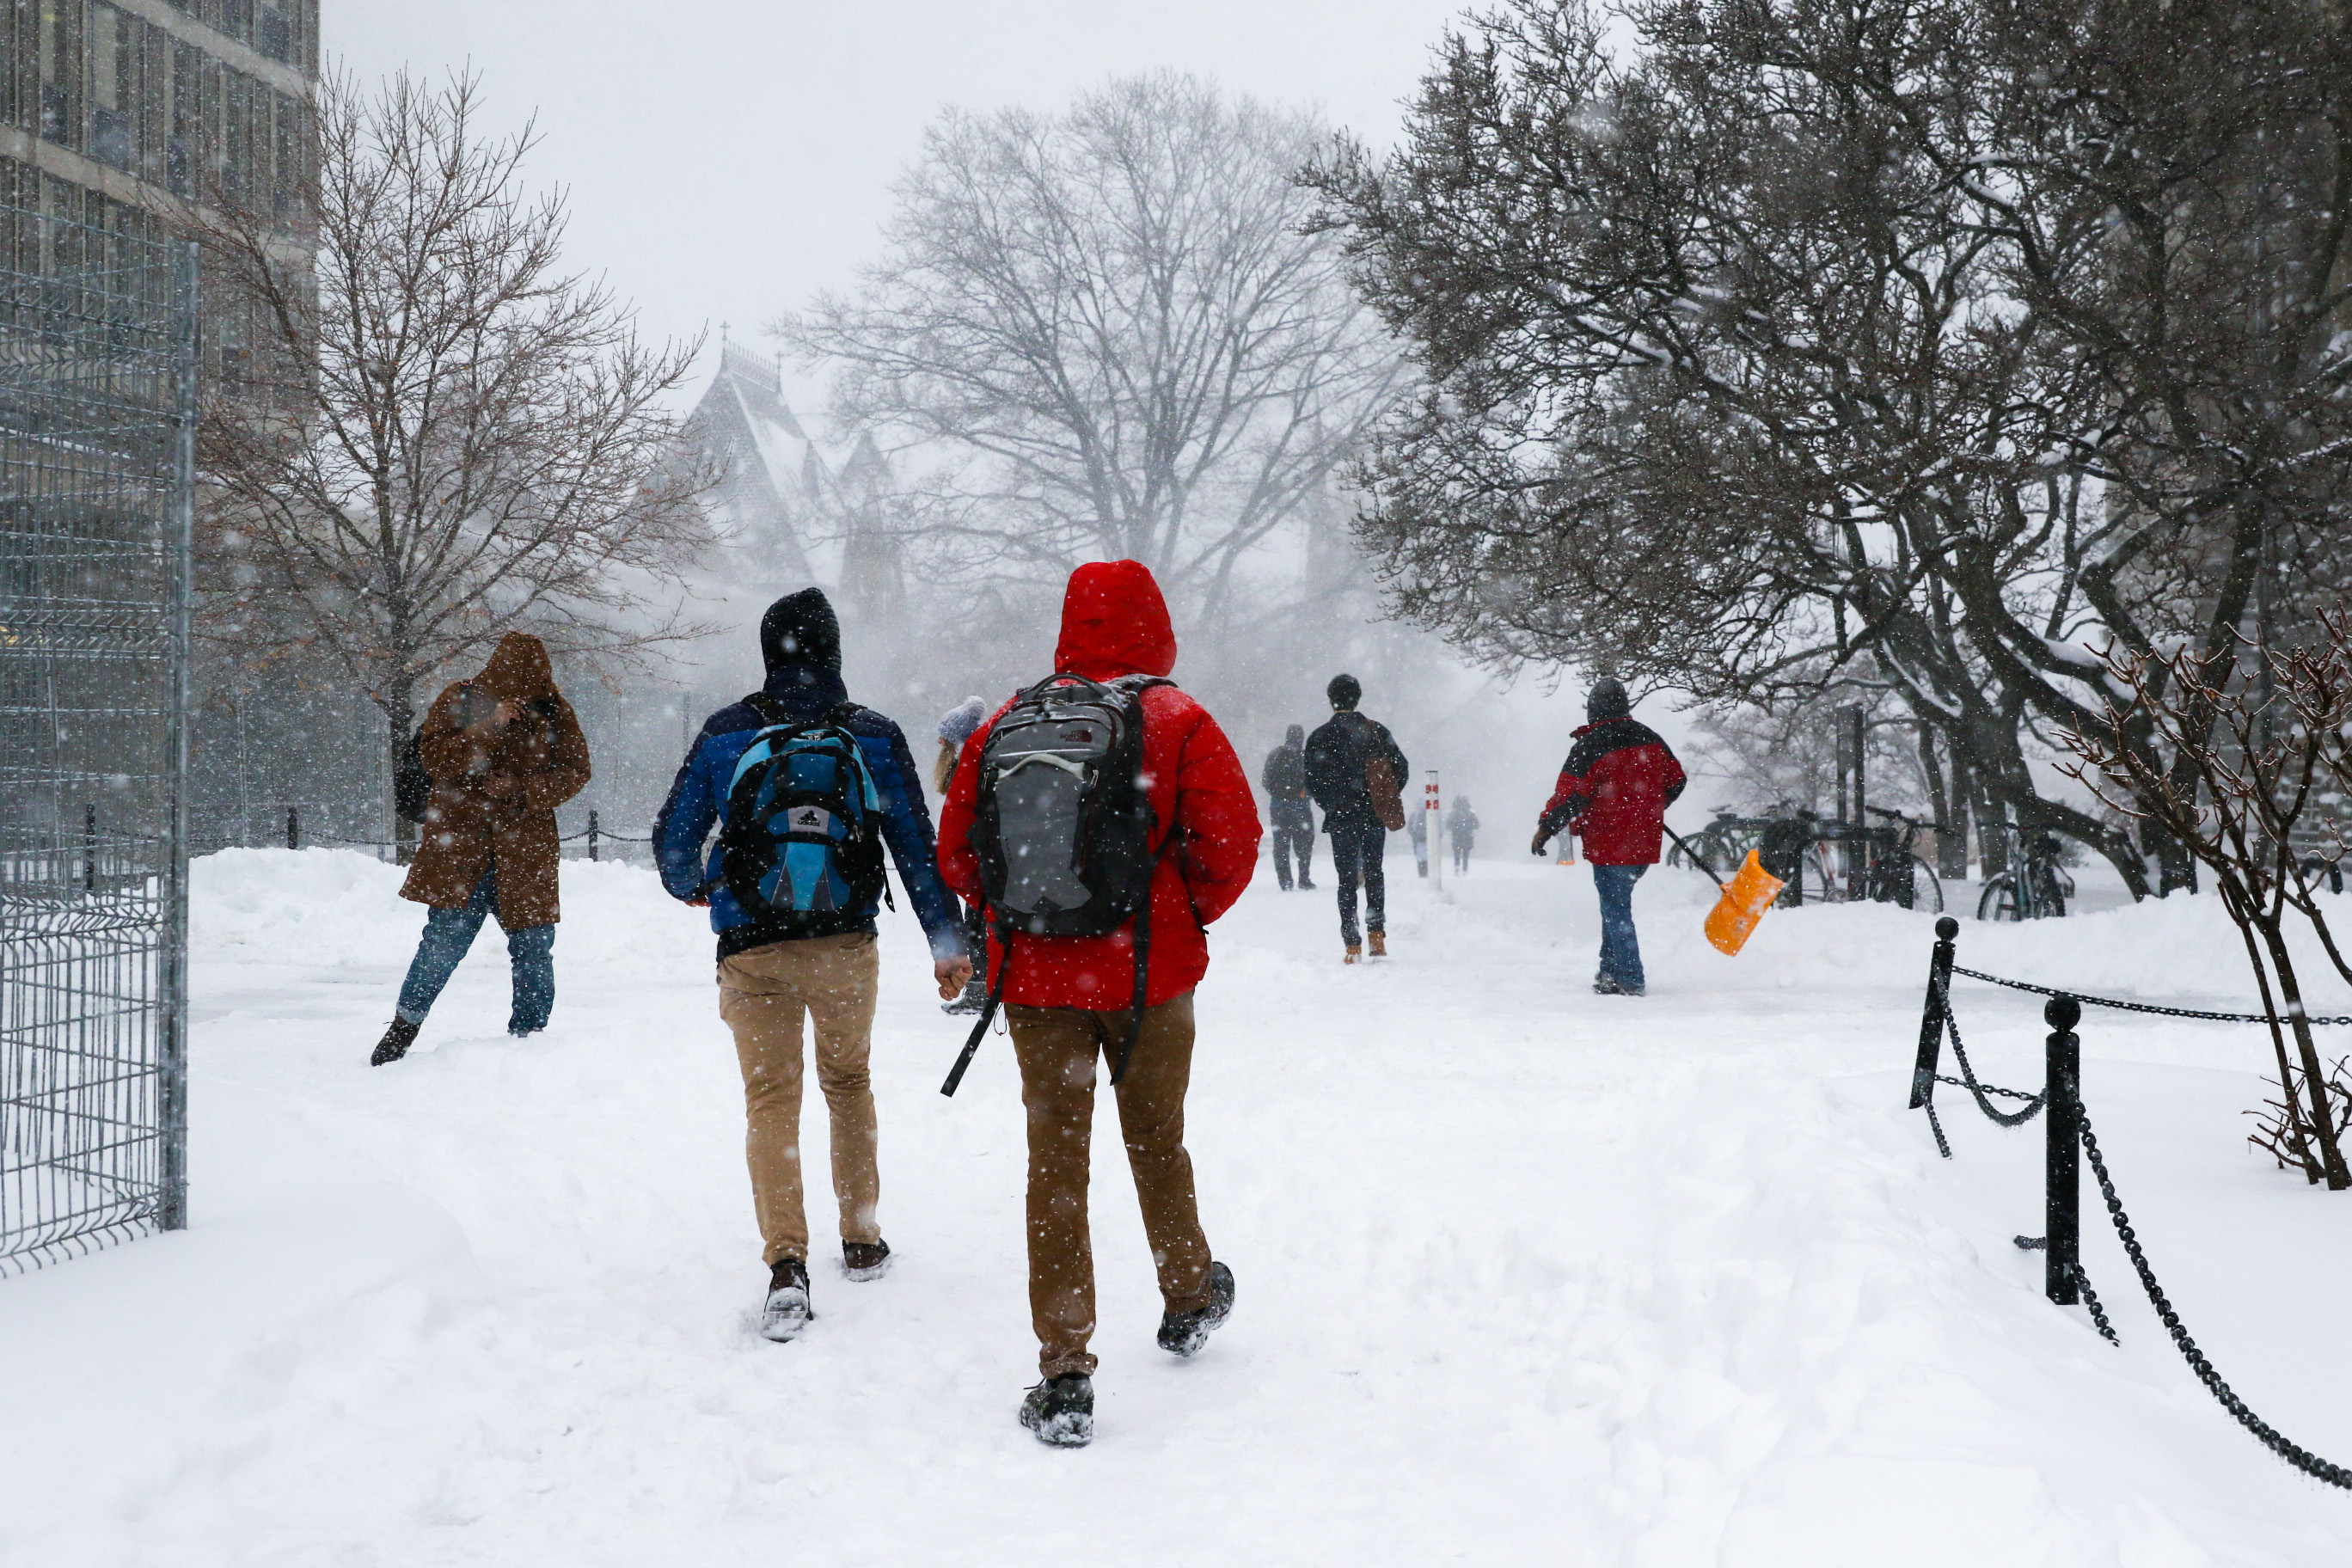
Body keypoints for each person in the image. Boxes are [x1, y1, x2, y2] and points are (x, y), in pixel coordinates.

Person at [937, 560, 1259, 1449]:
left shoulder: (1008, 721)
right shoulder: (1178, 718)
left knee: (1056, 1165)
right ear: (1156, 624)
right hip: (1150, 975)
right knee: (1157, 1138)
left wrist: (1035, 915)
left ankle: (1066, 1373)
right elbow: (1231, 846)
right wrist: (1174, 912)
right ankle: (1189, 1293)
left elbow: (958, 855)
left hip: (1039, 982)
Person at [653, 588, 971, 1343]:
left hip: (751, 944)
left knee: (771, 1100)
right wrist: (946, 943)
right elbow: (915, 850)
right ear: (834, 650)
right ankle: (861, 1239)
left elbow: (674, 842)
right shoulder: (871, 734)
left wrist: (702, 887)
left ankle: (786, 1264)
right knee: (848, 1082)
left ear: (769, 652)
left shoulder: (728, 732)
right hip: (844, 944)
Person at [372, 633, 590, 1066]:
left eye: (535, 676)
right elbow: (435, 759)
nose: (528, 686)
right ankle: (401, 1031)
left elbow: (577, 771)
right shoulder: (461, 698)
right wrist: (490, 725)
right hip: (462, 850)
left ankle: (529, 1042)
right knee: (442, 943)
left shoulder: (553, 710)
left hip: (525, 853)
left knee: (533, 948)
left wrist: (523, 788)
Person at [1531, 678, 1686, 996]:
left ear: (1593, 709)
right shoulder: (1649, 736)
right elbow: (1677, 780)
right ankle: (1609, 973)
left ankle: (1631, 978)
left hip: (1610, 841)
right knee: (1614, 905)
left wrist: (1545, 828)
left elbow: (1570, 796)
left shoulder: (1591, 745)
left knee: (1616, 909)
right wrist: (1651, 804)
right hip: (1644, 839)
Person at [1304, 674, 1408, 963]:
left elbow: (1312, 780)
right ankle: (1377, 935)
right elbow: (1401, 768)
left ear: (1331, 698)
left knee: (1346, 880)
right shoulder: (1376, 731)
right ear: (1357, 697)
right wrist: (1382, 797)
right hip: (1373, 815)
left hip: (1341, 818)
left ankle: (1351, 943)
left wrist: (1332, 804)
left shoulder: (1320, 736)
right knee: (1374, 873)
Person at [935, 696, 991, 1014]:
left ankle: (980, 992)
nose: (938, 742)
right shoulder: (979, 766)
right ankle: (982, 989)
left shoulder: (967, 769)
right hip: (984, 860)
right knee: (979, 925)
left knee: (978, 926)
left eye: (944, 737)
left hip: (980, 862)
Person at [1259, 724, 1317, 891]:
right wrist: (1305, 794)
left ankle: (1285, 881)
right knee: (1305, 844)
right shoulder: (1307, 757)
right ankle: (1304, 879)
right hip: (1302, 808)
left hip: (1279, 807)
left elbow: (1266, 780)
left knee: (1281, 845)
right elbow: (1315, 782)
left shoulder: (1276, 755)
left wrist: (1279, 794)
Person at [1446, 795, 1479, 875]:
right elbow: (1477, 825)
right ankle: (1465, 870)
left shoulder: (1453, 814)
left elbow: (1448, 825)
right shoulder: (1470, 814)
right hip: (1467, 837)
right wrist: (1469, 826)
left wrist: (1456, 827)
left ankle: (1457, 869)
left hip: (1456, 837)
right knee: (1465, 855)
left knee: (1456, 854)